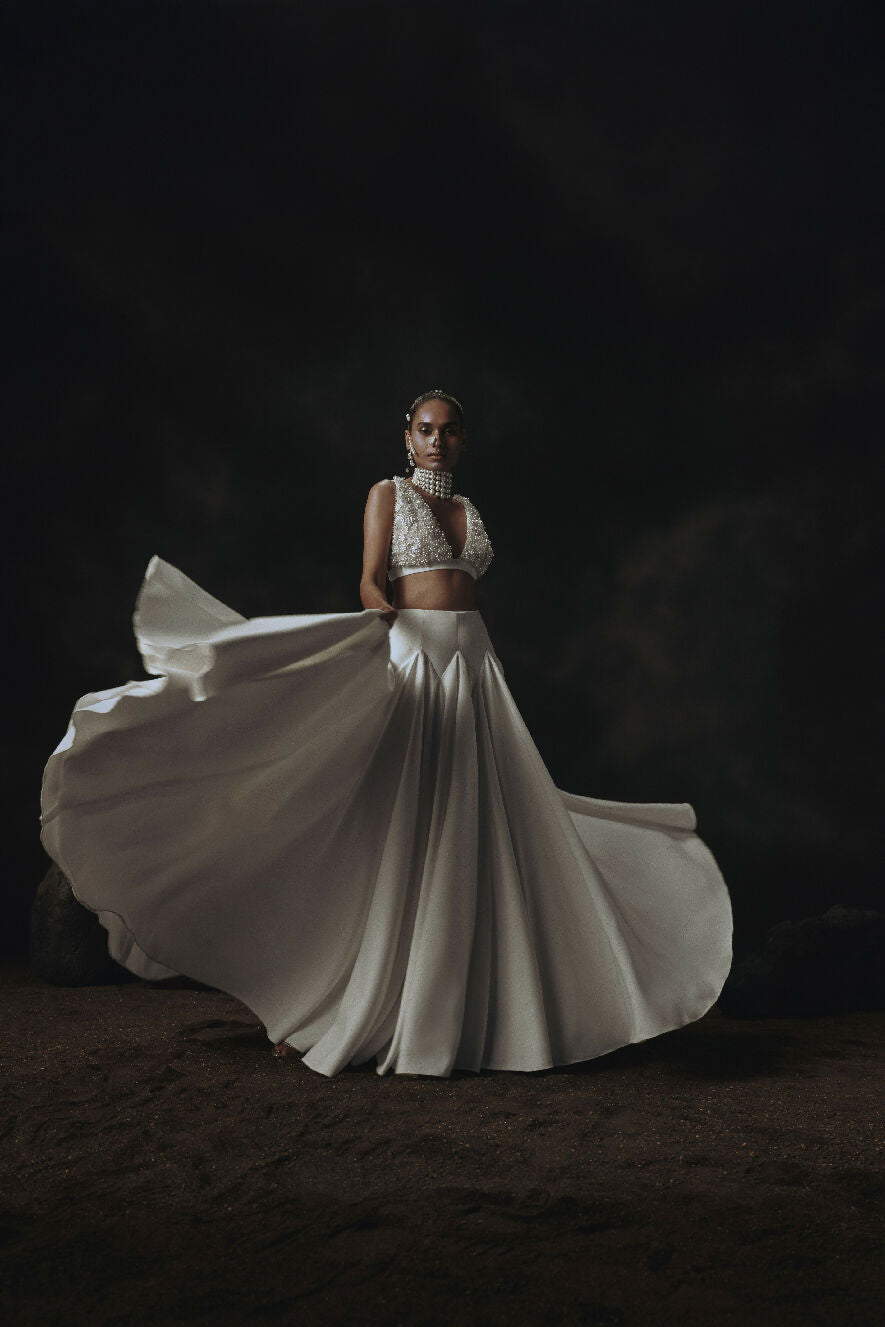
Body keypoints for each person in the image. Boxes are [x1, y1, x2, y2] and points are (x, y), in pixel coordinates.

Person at [40, 389, 732, 1078]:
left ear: (463, 440)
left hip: (475, 664)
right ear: (407, 436)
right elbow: (373, 579)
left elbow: (464, 586)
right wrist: (376, 621)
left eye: (450, 430)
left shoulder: (467, 510)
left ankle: (473, 1011)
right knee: (403, 824)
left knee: (480, 825)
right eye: (426, 429)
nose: (437, 440)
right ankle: (334, 1006)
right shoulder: (386, 493)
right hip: (414, 659)